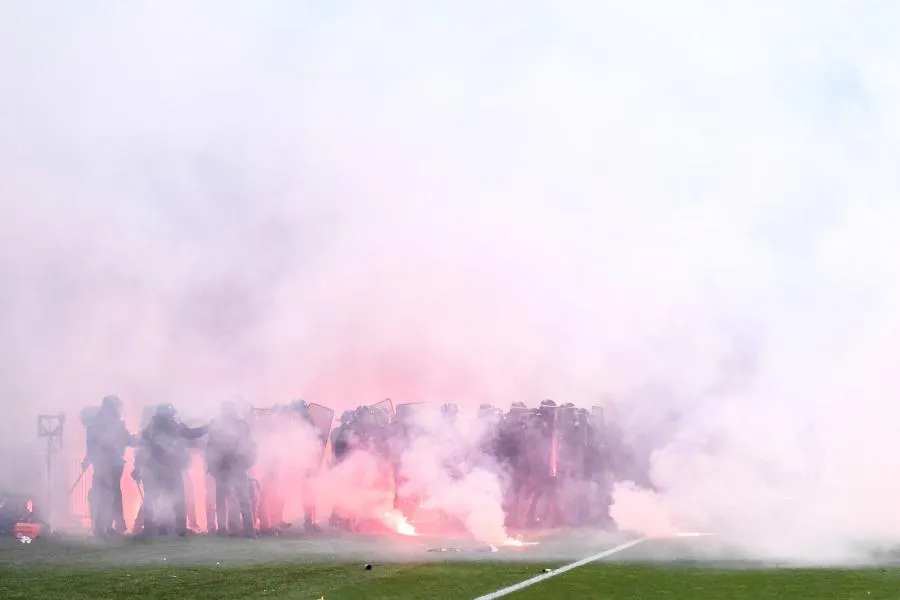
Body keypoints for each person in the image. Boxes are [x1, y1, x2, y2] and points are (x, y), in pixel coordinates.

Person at [133, 404, 207, 537]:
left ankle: (157, 528)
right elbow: (190, 434)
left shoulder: (153, 428)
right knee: (162, 499)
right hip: (162, 469)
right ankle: (176, 529)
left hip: (161, 468)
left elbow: (189, 434)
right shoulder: (162, 428)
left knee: (156, 499)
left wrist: (137, 468)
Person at [83, 395, 135, 538]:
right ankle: (106, 527)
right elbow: (128, 440)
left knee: (103, 495)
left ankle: (104, 527)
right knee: (108, 496)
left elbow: (91, 447)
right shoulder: (116, 425)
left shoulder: (94, 425)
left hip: (105, 466)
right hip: (110, 466)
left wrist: (87, 460)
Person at [205, 400, 257, 537]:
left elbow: (248, 445)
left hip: (235, 467)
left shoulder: (238, 426)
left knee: (240, 499)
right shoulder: (218, 426)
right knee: (230, 500)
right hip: (225, 468)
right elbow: (211, 448)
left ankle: (245, 529)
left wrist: (245, 463)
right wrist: (213, 467)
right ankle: (231, 529)